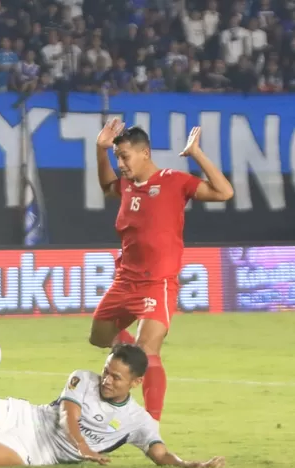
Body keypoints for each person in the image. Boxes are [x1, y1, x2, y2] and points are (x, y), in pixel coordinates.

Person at [90, 121, 234, 421]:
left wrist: (196, 154)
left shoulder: (174, 181)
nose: (121, 163)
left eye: (124, 156)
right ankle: (129, 362)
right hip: (124, 281)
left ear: (145, 153)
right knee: (99, 337)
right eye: (117, 156)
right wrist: (100, 150)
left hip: (157, 283)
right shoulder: (127, 185)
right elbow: (106, 186)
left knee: (146, 351)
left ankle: (150, 423)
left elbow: (224, 192)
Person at [0, 344, 225, 468]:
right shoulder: (83, 378)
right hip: (25, 416)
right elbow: (67, 415)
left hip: (34, 452)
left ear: (136, 382)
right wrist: (82, 447)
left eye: (115, 377)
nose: (106, 380)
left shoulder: (138, 421)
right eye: (106, 371)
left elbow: (159, 453)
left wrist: (188, 465)